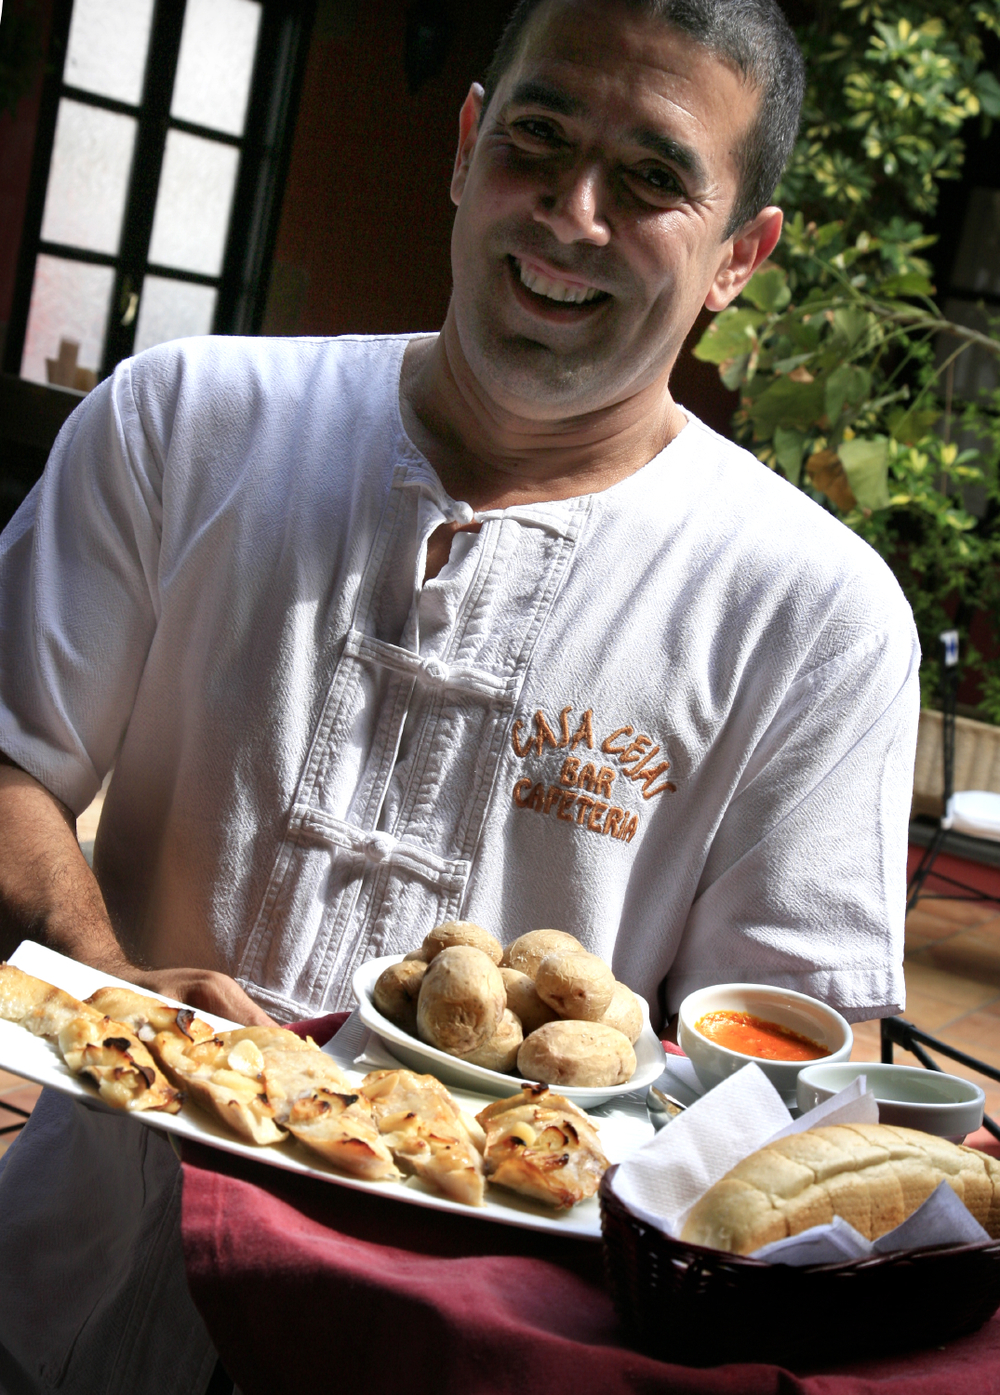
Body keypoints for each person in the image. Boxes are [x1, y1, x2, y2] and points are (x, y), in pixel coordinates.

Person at [0, 1, 919, 1390]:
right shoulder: (180, 422)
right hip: (70, 1282)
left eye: (656, 180)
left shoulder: (815, 610)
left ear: (743, 256)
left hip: (470, 1348)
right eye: (538, 142)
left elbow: (790, 1051)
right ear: (468, 141)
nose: (570, 214)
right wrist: (115, 979)